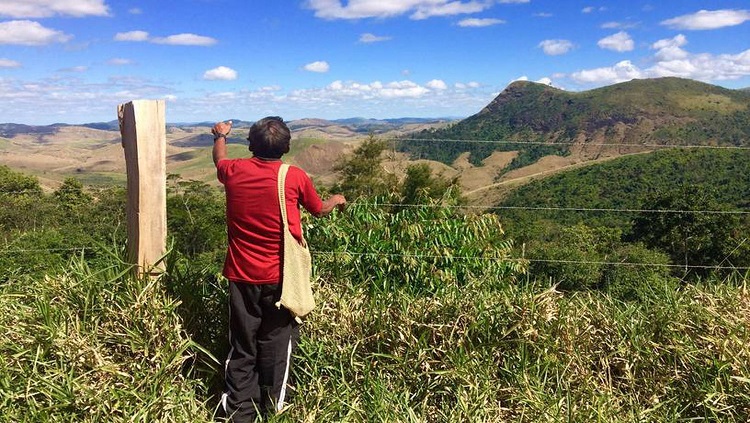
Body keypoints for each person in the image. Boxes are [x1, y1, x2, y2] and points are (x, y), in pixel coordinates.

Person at [211, 117, 346, 421]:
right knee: (277, 344)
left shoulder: (234, 171)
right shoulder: (294, 177)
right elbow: (318, 209)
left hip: (241, 276)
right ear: (286, 147)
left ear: (249, 145)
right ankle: (273, 407)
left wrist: (220, 136)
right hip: (282, 278)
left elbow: (220, 160)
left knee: (242, 344)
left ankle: (238, 412)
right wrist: (336, 200)